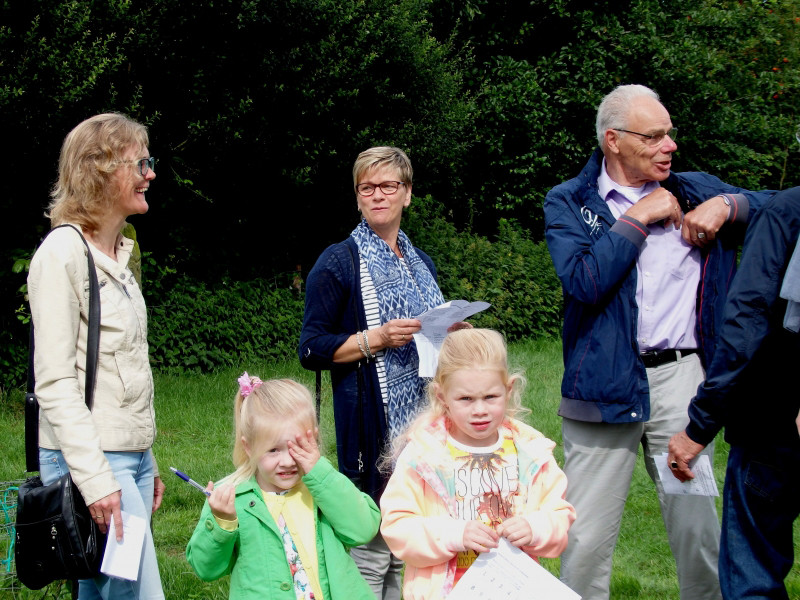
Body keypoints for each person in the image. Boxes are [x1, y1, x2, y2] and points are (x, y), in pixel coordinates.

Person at [543, 84, 775, 600]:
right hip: (603, 385)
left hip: (682, 383)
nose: (669, 145)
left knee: (698, 532)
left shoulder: (695, 190)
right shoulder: (569, 200)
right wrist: (638, 218)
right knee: (584, 540)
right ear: (613, 141)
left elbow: (781, 210)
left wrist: (728, 205)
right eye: (653, 136)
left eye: (669, 134)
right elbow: (585, 281)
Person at [298, 146, 468, 599]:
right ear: (357, 197)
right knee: (372, 553)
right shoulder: (339, 262)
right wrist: (376, 338)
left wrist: (452, 331)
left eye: (389, 186)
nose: (378, 195)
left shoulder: (420, 262)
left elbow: (430, 336)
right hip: (373, 431)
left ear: (407, 194)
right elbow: (311, 348)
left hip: (424, 428)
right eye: (367, 187)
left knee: (409, 552)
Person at [27, 113, 164, 599]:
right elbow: (55, 383)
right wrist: (97, 479)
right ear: (99, 171)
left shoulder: (120, 254)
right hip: (92, 460)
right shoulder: (61, 254)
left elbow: (118, 372)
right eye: (140, 163)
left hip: (127, 458)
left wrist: (145, 459)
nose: (151, 173)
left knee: (104, 593)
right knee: (136, 593)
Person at [668, 187, 800, 600]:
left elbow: (746, 324)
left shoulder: (786, 209)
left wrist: (698, 427)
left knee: (753, 575)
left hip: (774, 424)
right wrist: (730, 203)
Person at [379, 328, 575, 600]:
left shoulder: (531, 451)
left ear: (508, 390)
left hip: (514, 588)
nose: (480, 410)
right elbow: (397, 525)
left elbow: (559, 514)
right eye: (466, 399)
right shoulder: (423, 454)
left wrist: (535, 528)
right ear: (441, 397)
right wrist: (454, 535)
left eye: (490, 397)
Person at [186, 375, 380, 600]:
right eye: (273, 450)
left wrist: (321, 474)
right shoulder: (231, 498)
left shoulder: (321, 485)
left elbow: (363, 529)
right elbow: (206, 569)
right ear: (248, 447)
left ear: (314, 439)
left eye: (297, 447)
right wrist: (222, 523)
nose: (287, 461)